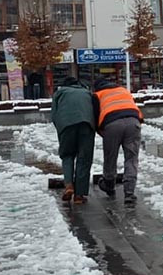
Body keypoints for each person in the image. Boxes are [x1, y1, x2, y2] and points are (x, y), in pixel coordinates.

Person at [93, 78, 143, 203]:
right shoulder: (123, 90)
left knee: (111, 156)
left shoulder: (97, 95)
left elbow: (95, 118)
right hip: (133, 122)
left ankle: (109, 185)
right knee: (131, 158)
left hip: (112, 124)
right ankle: (129, 192)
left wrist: (102, 133)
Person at [51, 76, 97, 205]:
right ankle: (79, 195)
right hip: (86, 125)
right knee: (84, 158)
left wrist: (61, 130)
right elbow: (95, 111)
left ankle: (69, 185)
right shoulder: (87, 93)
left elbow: (54, 114)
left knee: (67, 155)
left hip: (66, 126)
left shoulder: (59, 93)